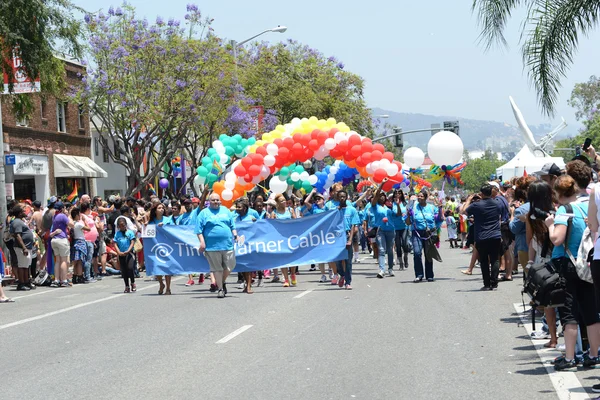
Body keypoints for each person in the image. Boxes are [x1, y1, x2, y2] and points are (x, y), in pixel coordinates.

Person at [547, 174, 600, 371]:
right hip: (587, 263)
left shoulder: (564, 210)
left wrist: (550, 225)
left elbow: (557, 239)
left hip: (568, 266)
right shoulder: (587, 206)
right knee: (591, 311)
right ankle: (594, 354)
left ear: (559, 193)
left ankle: (570, 357)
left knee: (569, 312)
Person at [525, 180, 557, 348]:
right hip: (559, 257)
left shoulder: (530, 216)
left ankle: (553, 338)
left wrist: (530, 263)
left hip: (542, 261)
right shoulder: (558, 211)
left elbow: (530, 241)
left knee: (548, 302)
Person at [196, 193, 238, 298]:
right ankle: (220, 289)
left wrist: (235, 234)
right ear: (209, 201)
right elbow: (198, 230)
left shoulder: (226, 211)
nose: (216, 202)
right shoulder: (203, 213)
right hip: (212, 246)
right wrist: (202, 242)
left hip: (227, 244)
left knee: (230, 265)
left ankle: (221, 282)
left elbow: (232, 225)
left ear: (220, 201)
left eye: (217, 200)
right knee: (217, 268)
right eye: (213, 200)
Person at [464, 185, 502, 290]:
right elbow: (502, 214)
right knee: (495, 259)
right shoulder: (497, 203)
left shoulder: (477, 205)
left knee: (484, 261)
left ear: (482, 194)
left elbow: (464, 211)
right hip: (495, 235)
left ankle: (487, 284)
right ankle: (494, 283)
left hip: (482, 236)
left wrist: (468, 200)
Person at [406, 189, 440, 282]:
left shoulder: (432, 207)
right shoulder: (413, 207)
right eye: (419, 196)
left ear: (426, 197)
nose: (420, 198)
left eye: (422, 196)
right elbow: (408, 223)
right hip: (416, 233)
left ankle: (429, 275)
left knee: (428, 254)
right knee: (417, 253)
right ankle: (419, 274)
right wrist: (408, 215)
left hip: (429, 233)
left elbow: (439, 219)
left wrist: (441, 208)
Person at [268, 193, 298, 286]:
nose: (284, 202)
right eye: (281, 201)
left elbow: (296, 222)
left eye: (284, 200)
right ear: (277, 203)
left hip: (290, 237)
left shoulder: (290, 210)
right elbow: (271, 226)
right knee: (283, 259)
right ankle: (286, 279)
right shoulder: (274, 213)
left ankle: (292, 274)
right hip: (280, 239)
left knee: (292, 258)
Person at [147, 203, 174, 294]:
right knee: (157, 267)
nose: (162, 209)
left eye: (163, 208)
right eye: (159, 208)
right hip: (156, 247)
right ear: (155, 210)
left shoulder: (168, 219)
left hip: (167, 247)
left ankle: (168, 288)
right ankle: (161, 283)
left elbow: (174, 230)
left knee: (167, 268)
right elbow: (149, 236)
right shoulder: (151, 222)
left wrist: (166, 226)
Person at [370, 179, 395, 278]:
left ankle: (390, 269)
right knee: (381, 250)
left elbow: (397, 215)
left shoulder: (389, 208)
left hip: (391, 231)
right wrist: (382, 184)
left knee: (390, 250)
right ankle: (382, 270)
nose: (381, 197)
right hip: (381, 231)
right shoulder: (375, 207)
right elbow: (376, 196)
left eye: (383, 195)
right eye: (379, 195)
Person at [233, 197, 258, 293]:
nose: (237, 209)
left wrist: (255, 222)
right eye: (236, 207)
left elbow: (260, 227)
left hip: (249, 244)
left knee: (247, 266)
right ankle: (246, 284)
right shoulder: (235, 218)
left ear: (244, 208)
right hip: (239, 245)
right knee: (242, 266)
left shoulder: (250, 218)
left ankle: (248, 286)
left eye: (239, 207)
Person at [336, 190, 360, 289]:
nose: (342, 198)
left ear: (347, 198)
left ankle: (348, 282)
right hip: (337, 238)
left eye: (344, 196)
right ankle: (342, 274)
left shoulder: (352, 210)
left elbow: (353, 225)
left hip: (347, 236)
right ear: (338, 198)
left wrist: (350, 240)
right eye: (340, 196)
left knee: (348, 261)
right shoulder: (335, 210)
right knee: (337, 260)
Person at [11, 205, 35, 290]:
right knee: (22, 266)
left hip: (27, 247)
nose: (25, 212)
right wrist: (24, 247)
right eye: (23, 211)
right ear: (20, 213)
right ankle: (21, 283)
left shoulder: (20, 221)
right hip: (21, 248)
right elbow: (17, 235)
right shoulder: (17, 222)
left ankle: (26, 282)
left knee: (26, 265)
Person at [49, 201, 71, 287]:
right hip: (61, 239)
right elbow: (71, 224)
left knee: (57, 260)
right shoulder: (62, 216)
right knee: (64, 260)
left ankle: (57, 279)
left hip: (54, 240)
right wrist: (67, 215)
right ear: (62, 208)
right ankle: (64, 280)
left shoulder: (54, 216)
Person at [113, 218, 137, 293]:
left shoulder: (130, 233)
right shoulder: (117, 234)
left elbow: (132, 242)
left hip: (129, 253)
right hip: (121, 254)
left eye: (123, 225)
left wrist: (128, 250)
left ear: (125, 225)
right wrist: (118, 252)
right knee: (124, 270)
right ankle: (127, 286)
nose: (122, 227)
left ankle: (132, 283)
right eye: (120, 226)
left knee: (130, 268)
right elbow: (115, 243)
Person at [70, 207, 90, 285]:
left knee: (76, 261)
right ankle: (80, 276)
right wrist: (85, 221)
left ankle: (75, 276)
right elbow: (88, 229)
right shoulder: (78, 224)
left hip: (75, 242)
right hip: (80, 241)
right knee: (79, 261)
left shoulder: (72, 224)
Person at [391, 190, 410, 270]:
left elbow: (407, 214)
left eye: (399, 193)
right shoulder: (393, 204)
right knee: (398, 245)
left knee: (405, 243)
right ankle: (401, 263)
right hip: (396, 227)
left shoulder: (405, 203)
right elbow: (398, 213)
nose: (397, 195)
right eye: (396, 193)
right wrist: (398, 205)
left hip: (404, 226)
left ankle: (405, 256)